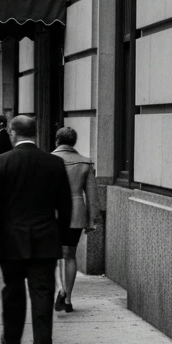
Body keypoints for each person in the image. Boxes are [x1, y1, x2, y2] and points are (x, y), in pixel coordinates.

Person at [0, 115, 73, 344]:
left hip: (10, 239)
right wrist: (64, 240)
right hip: (45, 239)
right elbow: (65, 205)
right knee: (42, 294)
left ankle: (12, 340)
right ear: (36, 131)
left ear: (11, 132)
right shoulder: (53, 163)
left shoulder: (0, 163)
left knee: (13, 290)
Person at [52, 127, 99, 313]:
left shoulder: (49, 160)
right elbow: (93, 195)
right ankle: (69, 299)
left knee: (54, 255)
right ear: (74, 142)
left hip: (53, 212)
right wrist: (94, 219)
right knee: (70, 255)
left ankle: (60, 289)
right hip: (76, 211)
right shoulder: (85, 162)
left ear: (57, 140)